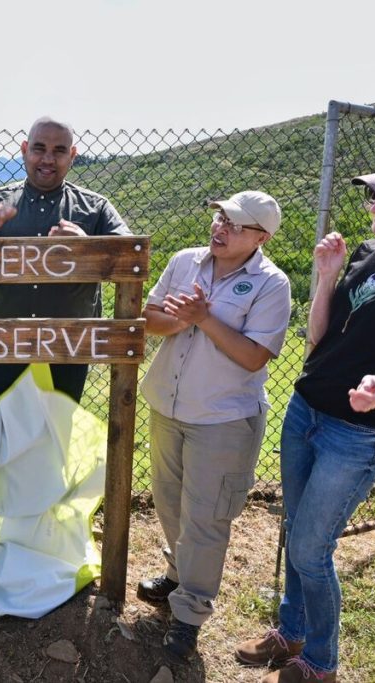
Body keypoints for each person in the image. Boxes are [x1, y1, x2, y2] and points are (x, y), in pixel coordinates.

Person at [235, 147, 375, 683]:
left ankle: (322, 662)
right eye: (373, 191)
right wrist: (327, 275)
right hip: (307, 407)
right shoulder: (364, 251)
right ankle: (291, 631)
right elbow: (318, 338)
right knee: (295, 528)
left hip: (357, 433)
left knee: (312, 544)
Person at [137, 192, 292, 663]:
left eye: (236, 225)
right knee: (169, 502)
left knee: (206, 519)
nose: (220, 227)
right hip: (168, 405)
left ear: (261, 238)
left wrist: (202, 318)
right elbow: (149, 318)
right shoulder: (186, 261)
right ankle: (180, 574)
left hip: (223, 419)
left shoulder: (271, 284)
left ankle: (189, 616)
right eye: (221, 217)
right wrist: (181, 320)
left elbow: (254, 356)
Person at [0, 116, 131, 402]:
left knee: (51, 443)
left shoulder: (95, 208)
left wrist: (89, 248)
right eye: (39, 149)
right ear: (24, 149)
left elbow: (133, 256)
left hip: (65, 354)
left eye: (59, 151)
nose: (48, 159)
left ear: (73, 155)